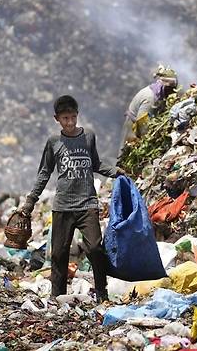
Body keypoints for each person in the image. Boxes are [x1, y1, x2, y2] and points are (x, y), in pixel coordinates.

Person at [19, 95, 124, 302]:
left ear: (78, 115)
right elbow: (44, 173)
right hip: (63, 205)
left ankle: (102, 293)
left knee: (95, 247)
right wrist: (31, 200)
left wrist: (115, 172)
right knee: (58, 253)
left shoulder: (89, 136)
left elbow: (95, 164)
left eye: (73, 117)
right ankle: (57, 296)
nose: (70, 122)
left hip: (87, 203)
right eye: (65, 118)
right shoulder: (54, 142)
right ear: (56, 118)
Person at [119, 65, 178, 153]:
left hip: (138, 124)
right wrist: (149, 139)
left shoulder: (158, 94)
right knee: (127, 152)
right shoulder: (150, 98)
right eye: (171, 89)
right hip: (133, 128)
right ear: (165, 86)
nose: (173, 92)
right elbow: (141, 123)